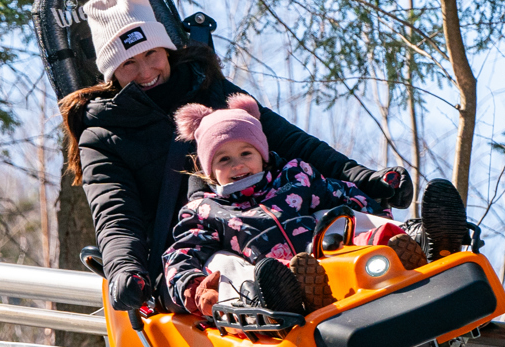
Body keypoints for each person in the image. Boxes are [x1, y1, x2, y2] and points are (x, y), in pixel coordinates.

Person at [59, 0, 415, 314]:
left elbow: (292, 141)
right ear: (111, 74)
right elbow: (116, 215)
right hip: (197, 242)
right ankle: (271, 298)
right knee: (226, 268)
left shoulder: (208, 87)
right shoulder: (101, 135)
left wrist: (365, 179)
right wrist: (125, 268)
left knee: (338, 217)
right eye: (129, 64)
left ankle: (413, 242)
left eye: (151, 54)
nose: (146, 71)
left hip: (275, 214)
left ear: (166, 48)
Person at [159, 94, 423, 316]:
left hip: (329, 262)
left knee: (334, 214)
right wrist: (194, 287)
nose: (237, 165)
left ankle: (407, 239)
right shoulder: (206, 210)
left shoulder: (295, 178)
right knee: (221, 261)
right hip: (272, 289)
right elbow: (181, 252)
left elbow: (344, 194)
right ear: (209, 171)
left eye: (246, 153)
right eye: (224, 159)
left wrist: (379, 207)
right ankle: (257, 300)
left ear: (262, 155)